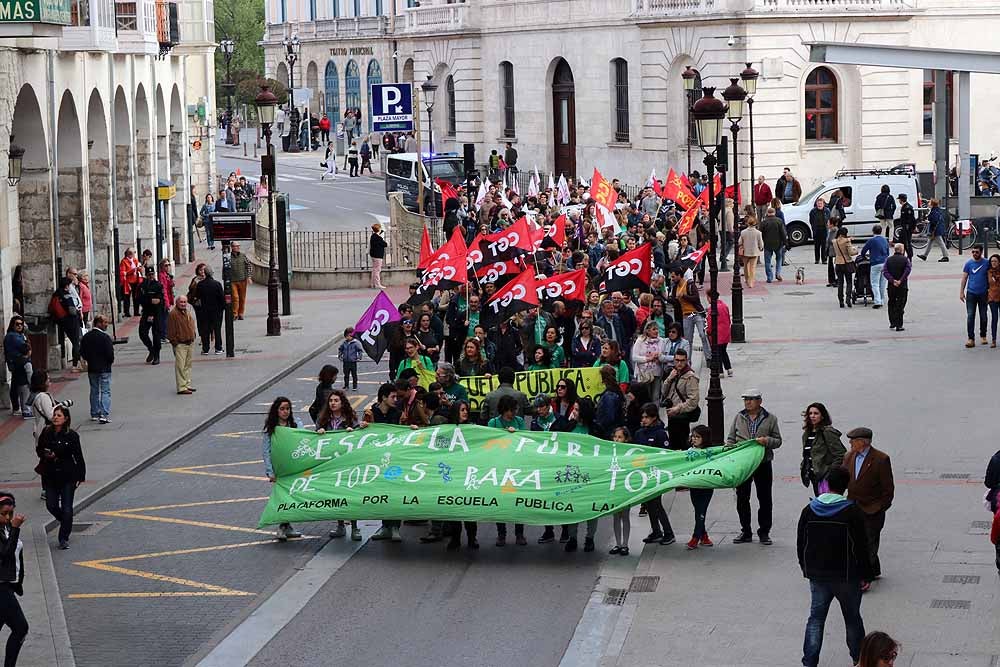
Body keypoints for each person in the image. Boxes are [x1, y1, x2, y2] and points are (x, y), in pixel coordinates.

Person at [797, 466, 873, 667]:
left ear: (826, 485)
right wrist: (866, 575)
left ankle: (809, 661)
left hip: (818, 576)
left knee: (816, 619)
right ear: (845, 487)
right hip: (847, 576)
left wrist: (806, 567)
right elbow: (862, 546)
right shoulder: (852, 511)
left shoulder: (810, 510)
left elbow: (800, 543)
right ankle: (859, 659)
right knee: (852, 619)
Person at [727, 388, 783, 545]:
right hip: (743, 464)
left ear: (759, 401)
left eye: (751, 399)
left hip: (763, 463)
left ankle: (764, 532)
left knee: (765, 498)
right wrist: (731, 451)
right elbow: (731, 438)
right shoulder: (739, 417)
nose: (747, 402)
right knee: (742, 497)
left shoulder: (770, 418)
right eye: (745, 399)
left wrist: (767, 441)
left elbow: (778, 441)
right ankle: (746, 531)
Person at [844, 427, 894, 592]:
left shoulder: (881, 459)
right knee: (854, 541)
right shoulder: (849, 456)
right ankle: (874, 568)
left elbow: (888, 490)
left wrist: (880, 508)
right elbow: (842, 478)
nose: (850, 443)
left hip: (872, 510)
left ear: (863, 442)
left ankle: (864, 578)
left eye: (853, 440)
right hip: (852, 507)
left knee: (869, 542)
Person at [315, 390, 368, 541]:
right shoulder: (323, 419)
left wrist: (357, 429)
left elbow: (359, 436)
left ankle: (355, 527)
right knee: (336, 495)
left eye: (336, 400)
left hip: (348, 464)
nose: (333, 403)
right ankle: (340, 525)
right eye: (331, 400)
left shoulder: (350, 418)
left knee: (349, 495)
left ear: (342, 402)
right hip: (332, 465)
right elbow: (315, 439)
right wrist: (319, 432)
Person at [36, 405, 85, 550]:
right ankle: (65, 521)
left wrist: (81, 476)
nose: (55, 418)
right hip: (50, 475)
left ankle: (63, 538)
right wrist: (45, 454)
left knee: (67, 508)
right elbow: (39, 449)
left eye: (59, 415)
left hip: (67, 476)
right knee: (51, 505)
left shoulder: (72, 436)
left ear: (66, 419)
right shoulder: (46, 432)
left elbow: (78, 456)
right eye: (54, 415)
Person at [262, 397, 303, 541]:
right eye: (282, 409)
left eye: (287, 408)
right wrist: (270, 471)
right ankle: (281, 526)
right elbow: (266, 451)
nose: (285, 412)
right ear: (276, 411)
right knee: (282, 498)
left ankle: (287, 526)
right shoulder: (272, 428)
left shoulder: (296, 424)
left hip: (293, 468)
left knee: (291, 496)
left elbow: (304, 441)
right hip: (280, 470)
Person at [634, 402, 675, 545]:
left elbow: (665, 455)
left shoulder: (660, 434)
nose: (643, 419)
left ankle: (668, 532)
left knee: (657, 504)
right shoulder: (639, 433)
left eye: (646, 417)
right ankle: (656, 531)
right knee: (649, 504)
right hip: (643, 474)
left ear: (654, 418)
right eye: (642, 417)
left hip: (656, 474)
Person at [0, 491, 28, 665]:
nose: (9, 517)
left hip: (8, 586)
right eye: (4, 513)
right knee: (21, 628)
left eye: (11, 513)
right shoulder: (10, 528)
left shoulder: (7, 527)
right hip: (1, 588)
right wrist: (16, 528)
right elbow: (6, 554)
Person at [801, 402, 846, 496]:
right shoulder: (807, 434)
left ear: (822, 416)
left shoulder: (827, 432)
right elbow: (807, 455)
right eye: (810, 413)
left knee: (827, 504)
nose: (812, 416)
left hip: (825, 478)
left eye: (816, 413)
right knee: (820, 502)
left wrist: (830, 473)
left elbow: (840, 454)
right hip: (814, 476)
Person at [667, 265, 710, 362]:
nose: (672, 279)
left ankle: (709, 357)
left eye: (673, 276)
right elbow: (675, 301)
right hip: (686, 315)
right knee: (688, 339)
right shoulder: (674, 288)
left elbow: (696, 298)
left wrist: (684, 296)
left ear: (679, 276)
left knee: (703, 335)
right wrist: (669, 299)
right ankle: (688, 360)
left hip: (696, 313)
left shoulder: (689, 284)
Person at [660, 347, 700, 450]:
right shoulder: (673, 373)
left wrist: (678, 408)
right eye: (677, 360)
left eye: (682, 361)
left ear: (686, 361)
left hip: (682, 416)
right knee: (673, 444)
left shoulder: (690, 377)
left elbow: (693, 400)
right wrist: (669, 378)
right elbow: (664, 392)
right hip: (672, 415)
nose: (679, 363)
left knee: (683, 444)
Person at [79, 315, 114, 424]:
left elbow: (82, 352)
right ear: (98, 323)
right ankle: (104, 414)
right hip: (104, 368)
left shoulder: (86, 337)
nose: (106, 325)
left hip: (92, 368)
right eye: (105, 322)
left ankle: (94, 413)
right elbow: (110, 354)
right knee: (105, 391)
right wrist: (109, 362)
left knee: (94, 390)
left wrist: (89, 360)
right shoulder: (105, 337)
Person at [685, 424, 715, 550]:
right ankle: (704, 536)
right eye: (693, 436)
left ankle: (695, 537)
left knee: (701, 511)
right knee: (698, 510)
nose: (694, 439)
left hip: (706, 486)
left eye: (698, 437)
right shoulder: (689, 451)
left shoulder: (711, 452)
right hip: (694, 486)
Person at [608, 426, 632, 556]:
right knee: (616, 516)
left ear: (626, 439)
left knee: (625, 516)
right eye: (615, 437)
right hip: (614, 488)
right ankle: (617, 544)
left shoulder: (629, 453)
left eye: (620, 437)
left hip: (624, 488)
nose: (616, 439)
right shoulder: (610, 452)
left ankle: (625, 544)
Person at [49, 278, 82, 372]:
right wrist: (77, 312)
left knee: (73, 341)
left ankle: (78, 363)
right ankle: (75, 366)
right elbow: (72, 310)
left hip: (62, 322)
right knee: (76, 343)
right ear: (67, 286)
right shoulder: (66, 295)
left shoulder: (56, 294)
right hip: (71, 321)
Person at [166, 296, 197, 395]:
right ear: (177, 302)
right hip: (180, 344)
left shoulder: (186, 312)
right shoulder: (173, 314)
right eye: (181, 302)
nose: (183, 304)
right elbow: (170, 331)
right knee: (180, 366)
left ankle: (187, 384)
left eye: (185, 302)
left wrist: (193, 335)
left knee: (188, 365)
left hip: (189, 342)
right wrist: (175, 342)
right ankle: (181, 387)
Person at [961, 244, 989, 348]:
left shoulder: (986, 263)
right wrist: (961, 292)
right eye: (973, 252)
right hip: (971, 293)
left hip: (983, 293)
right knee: (970, 316)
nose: (974, 254)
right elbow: (964, 278)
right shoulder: (968, 264)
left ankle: (983, 335)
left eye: (976, 252)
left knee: (983, 315)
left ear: (981, 252)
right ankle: (971, 338)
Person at [630, 321, 667, 401]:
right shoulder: (640, 340)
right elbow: (634, 357)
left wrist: (659, 357)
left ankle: (655, 412)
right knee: (645, 396)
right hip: (644, 373)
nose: (656, 331)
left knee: (656, 396)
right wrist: (648, 359)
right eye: (654, 329)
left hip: (656, 373)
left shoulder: (661, 341)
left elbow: (664, 355)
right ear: (647, 331)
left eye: (657, 329)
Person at [4, 317, 32, 418]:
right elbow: (26, 348)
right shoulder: (12, 336)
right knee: (24, 385)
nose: (20, 326)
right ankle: (25, 409)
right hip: (19, 363)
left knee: (16, 385)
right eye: (17, 324)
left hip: (17, 363)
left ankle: (17, 408)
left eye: (21, 324)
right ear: (13, 325)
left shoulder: (19, 335)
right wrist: (27, 351)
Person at [136, 267, 164, 364]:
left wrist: (151, 302)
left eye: (152, 274)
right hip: (146, 312)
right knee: (142, 333)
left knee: (156, 335)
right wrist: (149, 300)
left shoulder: (158, 285)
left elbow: (160, 301)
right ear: (146, 275)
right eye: (149, 275)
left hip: (156, 313)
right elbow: (139, 299)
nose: (151, 277)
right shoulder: (142, 286)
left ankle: (156, 355)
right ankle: (151, 349)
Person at [859, 225, 890, 309]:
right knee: (882, 283)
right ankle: (882, 300)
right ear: (881, 231)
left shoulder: (871, 241)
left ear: (873, 231)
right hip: (884, 263)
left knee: (875, 283)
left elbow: (863, 251)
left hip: (875, 263)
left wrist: (865, 257)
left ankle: (877, 301)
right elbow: (888, 252)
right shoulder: (885, 240)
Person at [195, 267, 225, 354]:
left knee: (205, 330)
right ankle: (218, 348)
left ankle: (205, 348)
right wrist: (222, 308)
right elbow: (222, 299)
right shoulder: (217, 284)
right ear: (212, 273)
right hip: (216, 311)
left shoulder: (200, 285)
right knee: (217, 329)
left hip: (205, 311)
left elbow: (197, 296)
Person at [705, 290, 733, 377]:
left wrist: (708, 331)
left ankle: (720, 371)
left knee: (717, 353)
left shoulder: (711, 309)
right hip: (725, 333)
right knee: (723, 351)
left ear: (710, 297)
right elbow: (728, 319)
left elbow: (710, 322)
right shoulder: (724, 306)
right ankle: (729, 369)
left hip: (717, 334)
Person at [883, 243, 911, 332]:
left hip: (891, 286)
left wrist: (892, 280)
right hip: (902, 286)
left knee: (891, 302)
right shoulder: (905, 260)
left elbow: (885, 271)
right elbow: (907, 270)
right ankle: (899, 324)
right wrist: (900, 280)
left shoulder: (888, 260)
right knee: (900, 303)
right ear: (902, 250)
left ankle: (892, 322)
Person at [832, 227, 858, 309]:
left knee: (840, 283)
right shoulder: (847, 242)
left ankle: (841, 301)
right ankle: (848, 298)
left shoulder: (834, 241)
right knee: (849, 282)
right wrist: (856, 250)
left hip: (838, 263)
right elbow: (851, 253)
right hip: (846, 263)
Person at [760, 207, 787, 283]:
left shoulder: (764, 222)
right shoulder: (779, 221)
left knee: (767, 262)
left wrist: (761, 244)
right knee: (779, 259)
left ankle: (769, 277)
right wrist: (786, 243)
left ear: (767, 213)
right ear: (774, 213)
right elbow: (783, 233)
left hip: (767, 244)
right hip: (778, 244)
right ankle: (778, 273)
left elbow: (760, 233)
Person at [229, 242, 252, 320]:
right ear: (232, 247)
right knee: (235, 297)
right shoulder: (228, 256)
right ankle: (234, 313)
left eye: (238, 246)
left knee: (242, 297)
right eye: (235, 246)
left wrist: (249, 277)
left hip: (242, 280)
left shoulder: (243, 256)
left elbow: (248, 265)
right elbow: (225, 268)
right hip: (233, 280)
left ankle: (241, 313)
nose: (237, 247)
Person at [810, 198, 830, 265]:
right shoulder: (813, 211)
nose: (819, 205)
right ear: (816, 204)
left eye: (821, 203)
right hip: (816, 229)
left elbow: (829, 219)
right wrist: (813, 227)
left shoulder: (827, 210)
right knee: (817, 246)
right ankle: (817, 259)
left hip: (824, 229)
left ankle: (824, 260)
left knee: (824, 246)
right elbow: (811, 220)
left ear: (823, 204)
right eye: (818, 203)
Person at [896, 193, 916, 259]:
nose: (899, 201)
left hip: (907, 228)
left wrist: (912, 227)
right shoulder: (904, 206)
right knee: (901, 242)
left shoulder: (908, 208)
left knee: (906, 242)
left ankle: (909, 256)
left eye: (899, 199)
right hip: (904, 227)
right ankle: (901, 256)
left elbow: (911, 219)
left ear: (901, 200)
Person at [369, 223, 387, 290]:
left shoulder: (373, 236)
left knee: (374, 270)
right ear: (378, 229)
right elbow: (385, 244)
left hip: (373, 255)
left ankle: (373, 284)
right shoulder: (378, 238)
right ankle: (377, 284)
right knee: (377, 270)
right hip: (378, 256)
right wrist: (381, 237)